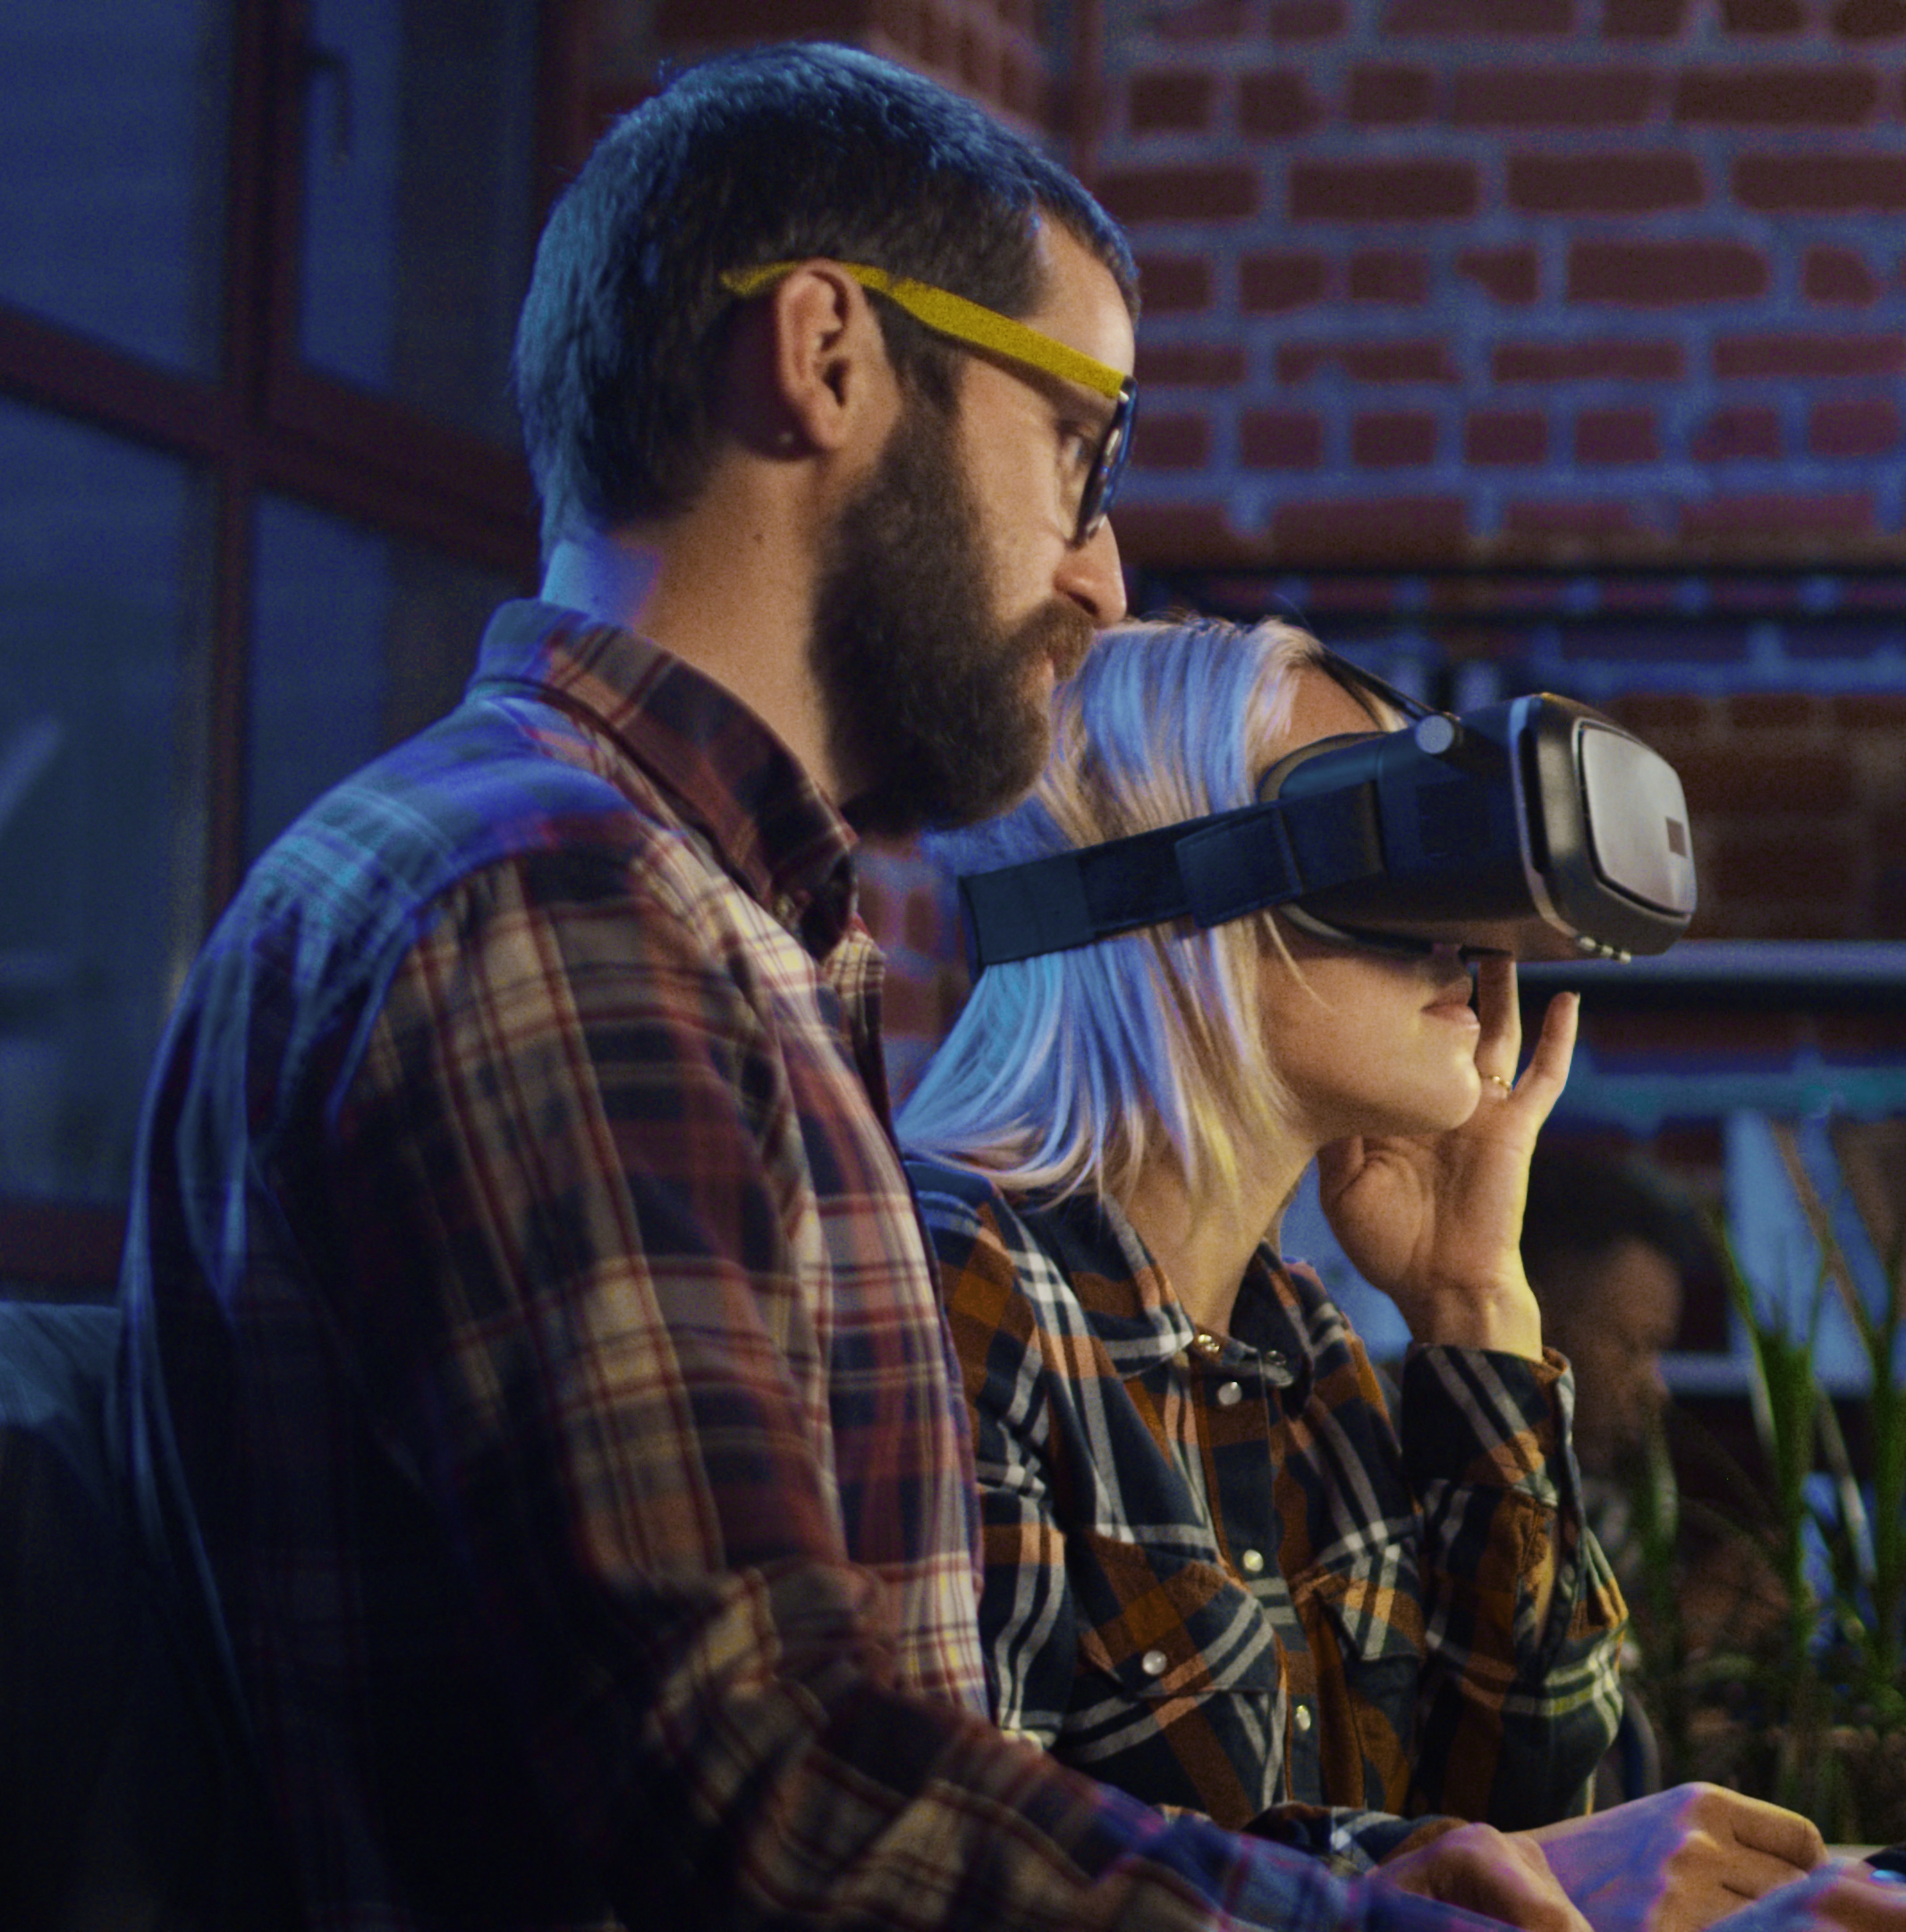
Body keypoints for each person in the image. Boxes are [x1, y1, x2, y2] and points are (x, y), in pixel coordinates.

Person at [114, 42, 1580, 1932]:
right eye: (1081, 445)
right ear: (823, 356)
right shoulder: (547, 901)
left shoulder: (687, 914)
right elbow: (770, 1783)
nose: (1101, 576)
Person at [897, 616, 1846, 1932]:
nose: (1460, 926)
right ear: (1174, 892)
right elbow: (945, 1874)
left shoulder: (1304, 1351)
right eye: (1378, 831)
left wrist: (1475, 1307)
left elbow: (1533, 1812)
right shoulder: (949, 1296)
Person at [1517, 1148, 1707, 1492]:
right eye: (1632, 1347)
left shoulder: (1596, 1505)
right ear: (1531, 1315)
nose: (1657, 1392)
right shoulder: (1400, 1462)